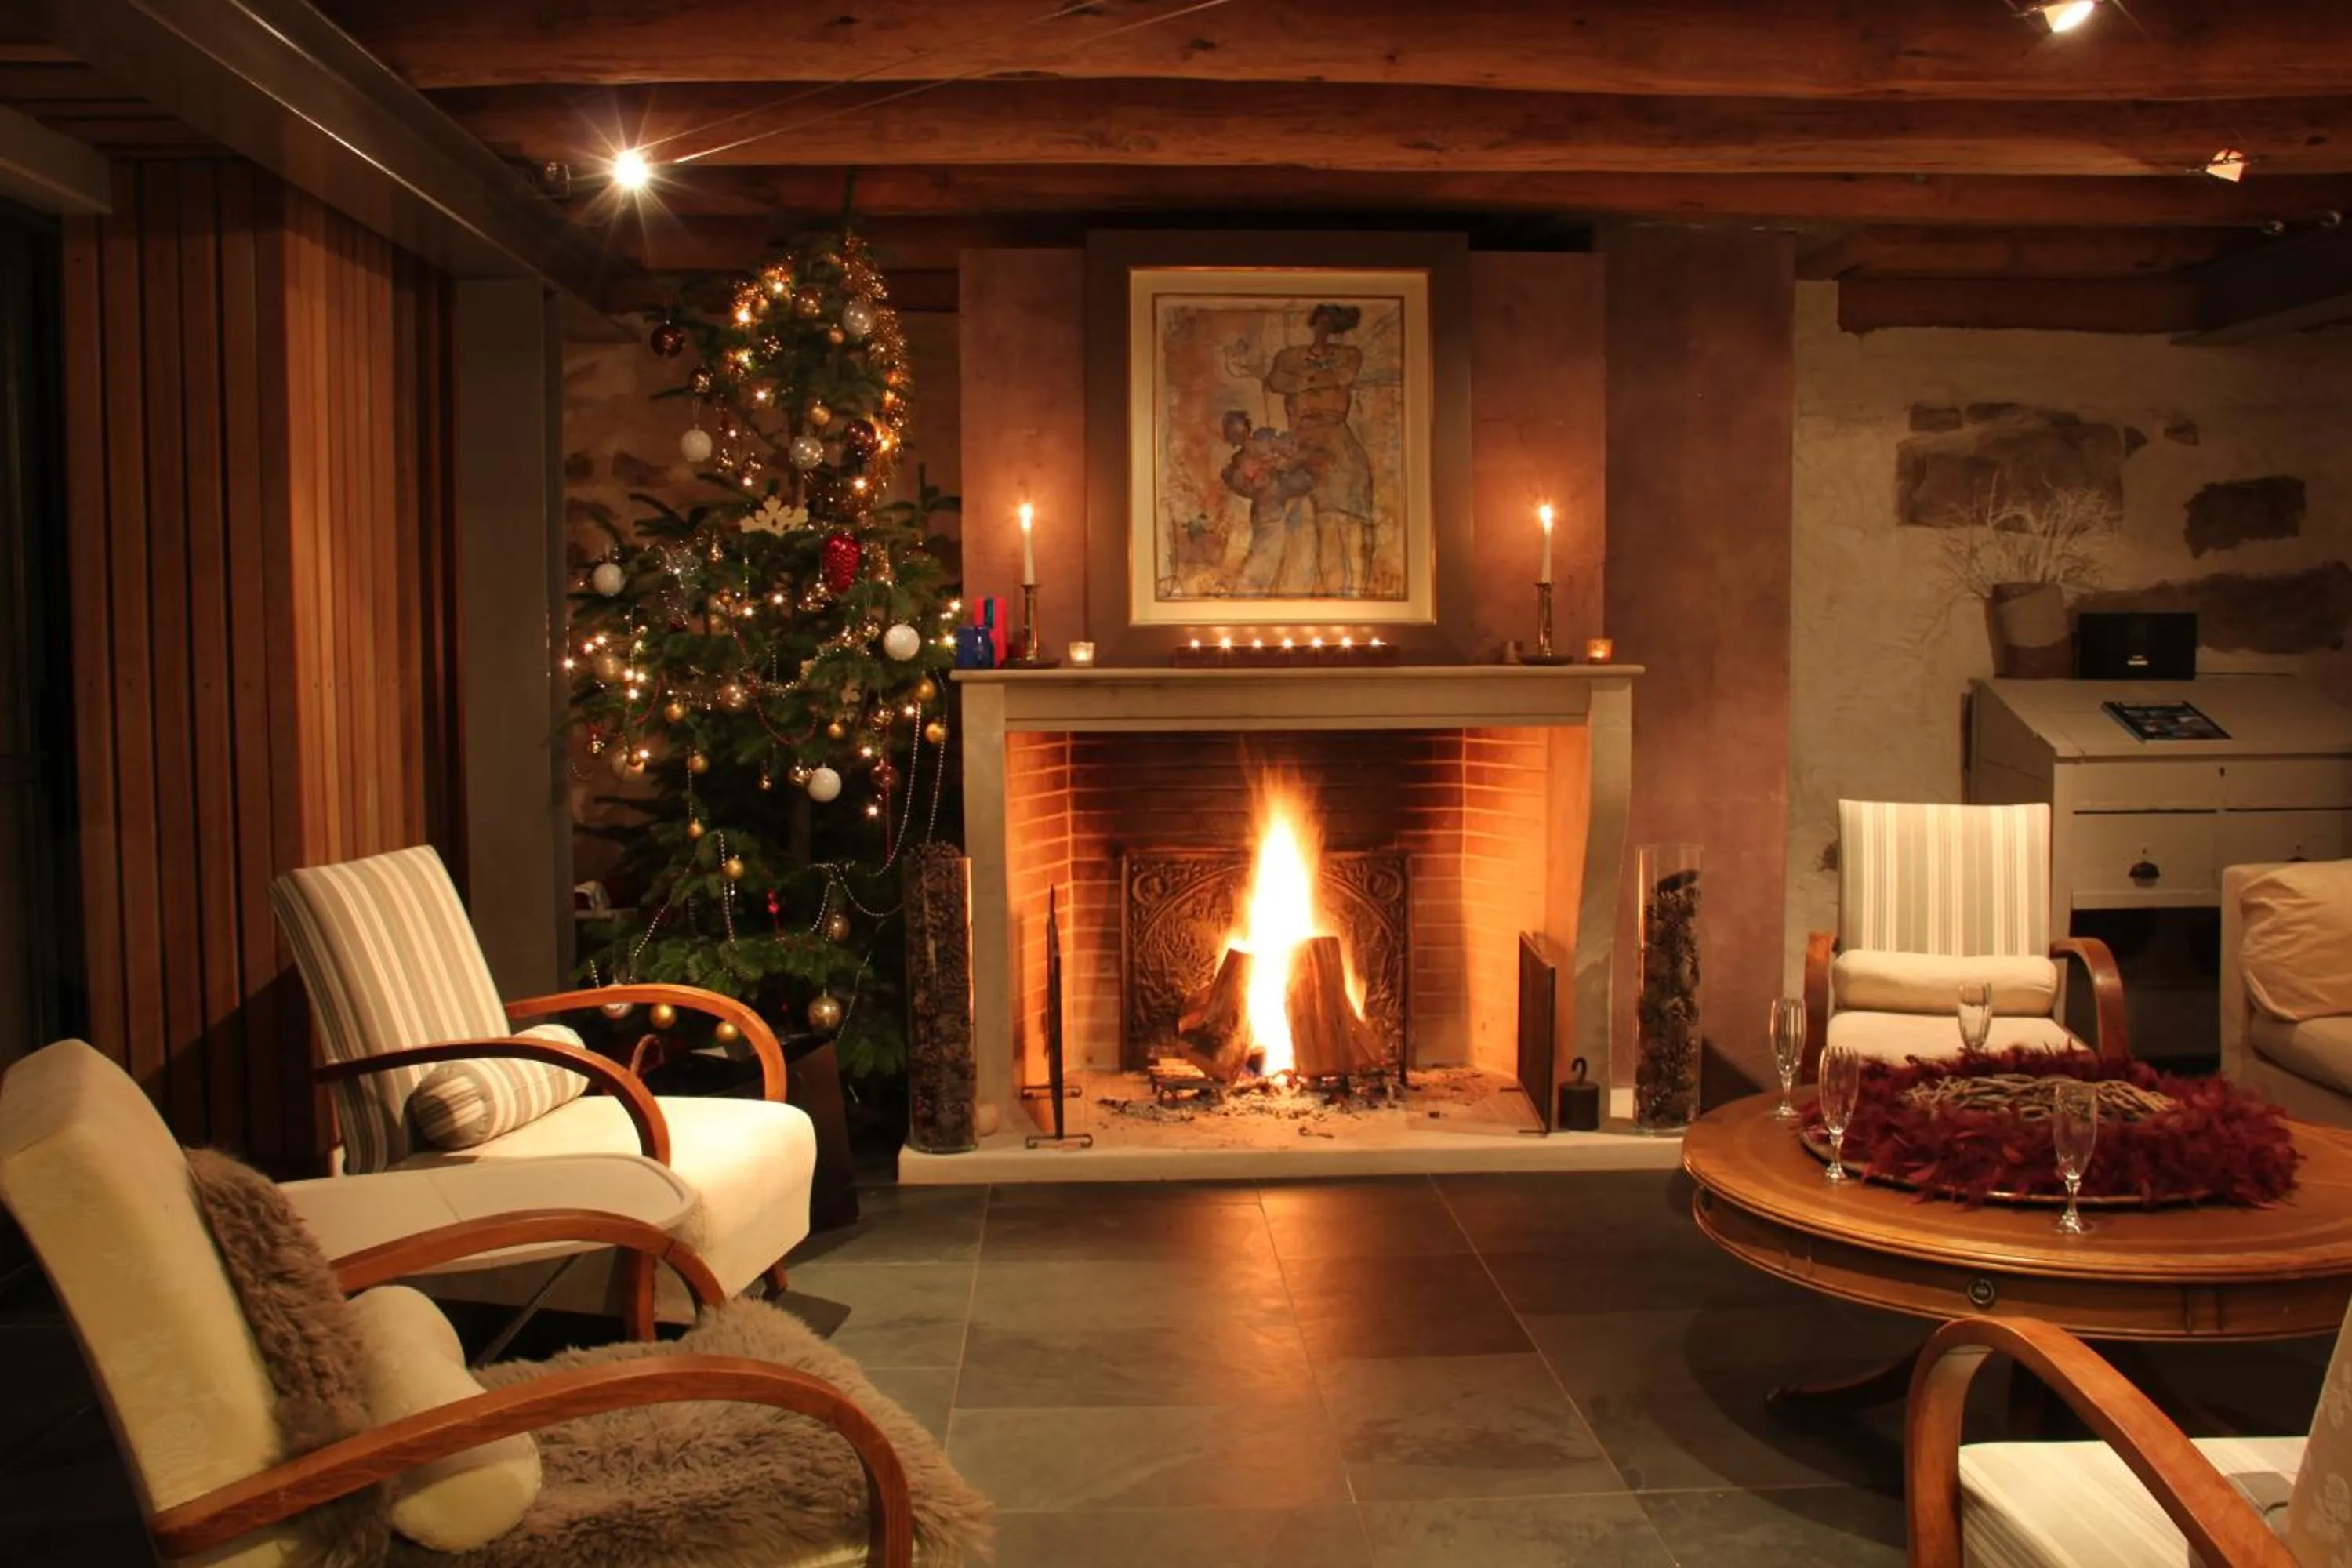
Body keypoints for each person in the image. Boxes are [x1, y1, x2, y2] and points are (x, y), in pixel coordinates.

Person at [1263, 303, 1374, 597]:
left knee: (1342, 518)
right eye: (1323, 321)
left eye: (1334, 323)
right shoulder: (1290, 356)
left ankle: (1348, 593)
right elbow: (1277, 380)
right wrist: (1312, 380)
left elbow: (1343, 376)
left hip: (1336, 438)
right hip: (1302, 438)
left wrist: (1305, 381)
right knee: (1301, 521)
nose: (1327, 329)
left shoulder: (1348, 355)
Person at [1218, 409, 1316, 595]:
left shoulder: (1266, 438)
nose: (1239, 435)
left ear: (1247, 428)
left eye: (1240, 428)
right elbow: (1247, 487)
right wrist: (1258, 478)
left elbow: (1296, 452)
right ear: (1229, 437)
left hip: (1295, 500)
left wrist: (1279, 462)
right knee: (1262, 559)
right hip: (1269, 511)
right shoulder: (1235, 466)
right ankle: (1247, 597)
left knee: (1300, 556)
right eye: (1233, 432)